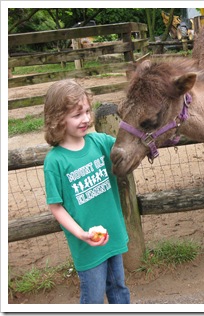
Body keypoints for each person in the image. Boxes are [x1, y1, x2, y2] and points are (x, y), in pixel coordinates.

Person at [43, 79, 130, 304]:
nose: (86, 119)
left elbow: (129, 145)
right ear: (57, 118)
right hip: (87, 244)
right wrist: (81, 233)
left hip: (113, 234)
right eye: (77, 114)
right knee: (93, 297)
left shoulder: (100, 143)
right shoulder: (55, 161)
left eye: (87, 111)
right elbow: (56, 206)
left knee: (119, 289)